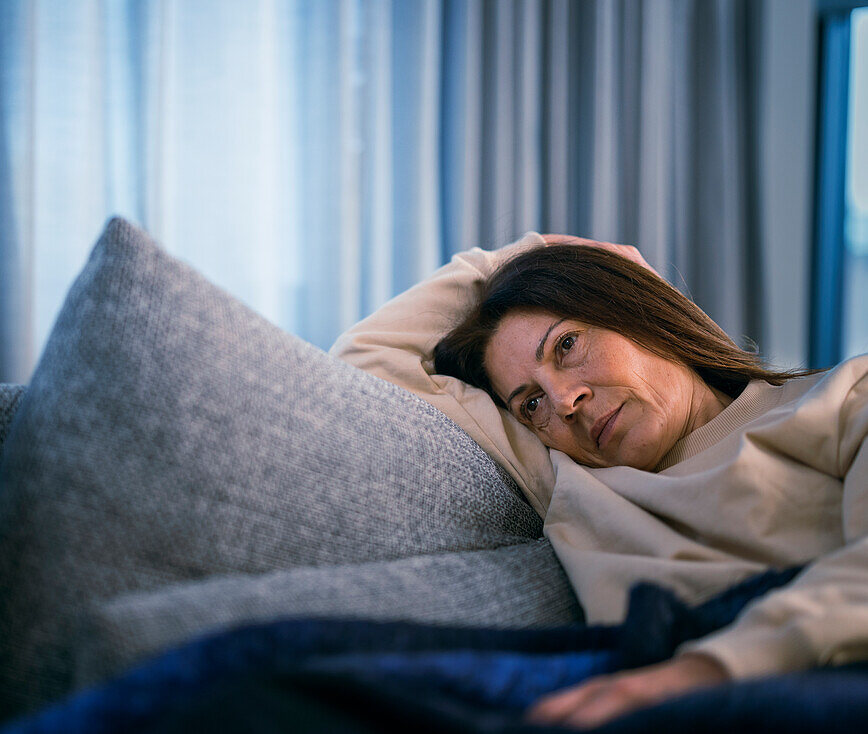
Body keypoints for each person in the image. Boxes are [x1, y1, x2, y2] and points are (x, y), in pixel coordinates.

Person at [332, 235, 868, 728]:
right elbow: (365, 360)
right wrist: (516, 257)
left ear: (635, 308)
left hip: (809, 664)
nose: (564, 402)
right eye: (532, 402)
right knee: (279, 664)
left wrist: (706, 672)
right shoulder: (568, 473)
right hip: (643, 664)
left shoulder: (842, 399)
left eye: (566, 345)